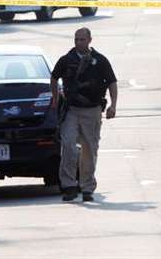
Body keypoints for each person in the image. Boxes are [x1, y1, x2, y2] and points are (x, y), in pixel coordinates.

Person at [50, 28, 118, 202]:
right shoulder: (67, 60)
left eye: (82, 39)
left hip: (92, 110)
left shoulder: (100, 61)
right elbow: (54, 77)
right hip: (71, 110)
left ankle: (87, 188)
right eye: (76, 39)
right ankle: (69, 186)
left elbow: (112, 82)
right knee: (69, 145)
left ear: (89, 40)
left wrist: (113, 106)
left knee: (89, 149)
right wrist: (56, 99)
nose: (78, 42)